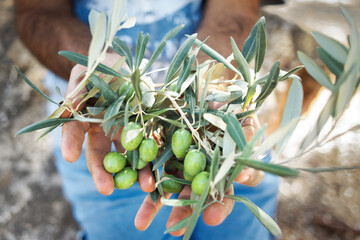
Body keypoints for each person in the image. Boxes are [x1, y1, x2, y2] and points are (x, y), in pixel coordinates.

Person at [14, 0, 284, 239]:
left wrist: (210, 79)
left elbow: (235, 7)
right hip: (100, 125)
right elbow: (38, 12)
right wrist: (99, 71)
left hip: (218, 122)